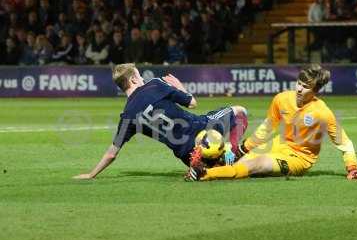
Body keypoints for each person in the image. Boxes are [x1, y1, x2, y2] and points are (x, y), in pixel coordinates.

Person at [189, 64, 357, 182]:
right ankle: (205, 167)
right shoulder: (282, 99)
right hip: (278, 144)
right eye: (299, 83)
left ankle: (204, 175)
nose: (299, 89)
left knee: (255, 165)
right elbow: (267, 127)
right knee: (234, 157)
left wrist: (352, 168)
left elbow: (344, 143)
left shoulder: (322, 113)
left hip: (298, 159)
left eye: (306, 86)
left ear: (315, 90)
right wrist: (244, 148)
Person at [73, 63, 248, 180]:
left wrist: (91, 174)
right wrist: (179, 87)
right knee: (240, 111)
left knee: (212, 161)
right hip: (203, 129)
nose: (142, 79)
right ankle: (232, 152)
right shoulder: (155, 85)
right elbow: (193, 103)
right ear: (133, 79)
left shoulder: (127, 116)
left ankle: (206, 167)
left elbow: (112, 153)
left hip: (186, 155)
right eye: (140, 76)